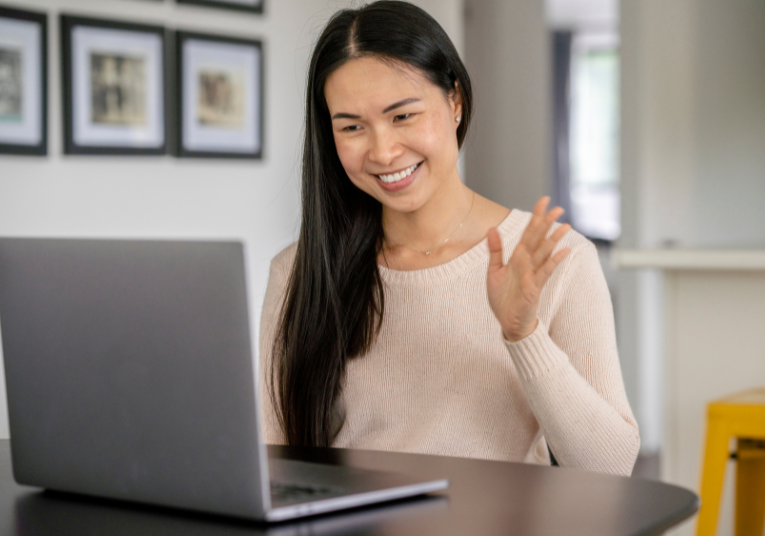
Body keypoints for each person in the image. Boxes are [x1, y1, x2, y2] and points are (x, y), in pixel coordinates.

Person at [259, 0, 639, 476]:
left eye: (403, 116)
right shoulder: (300, 271)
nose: (383, 150)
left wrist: (523, 334)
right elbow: (275, 463)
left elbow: (611, 467)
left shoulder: (555, 259)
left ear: (454, 101)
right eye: (352, 127)